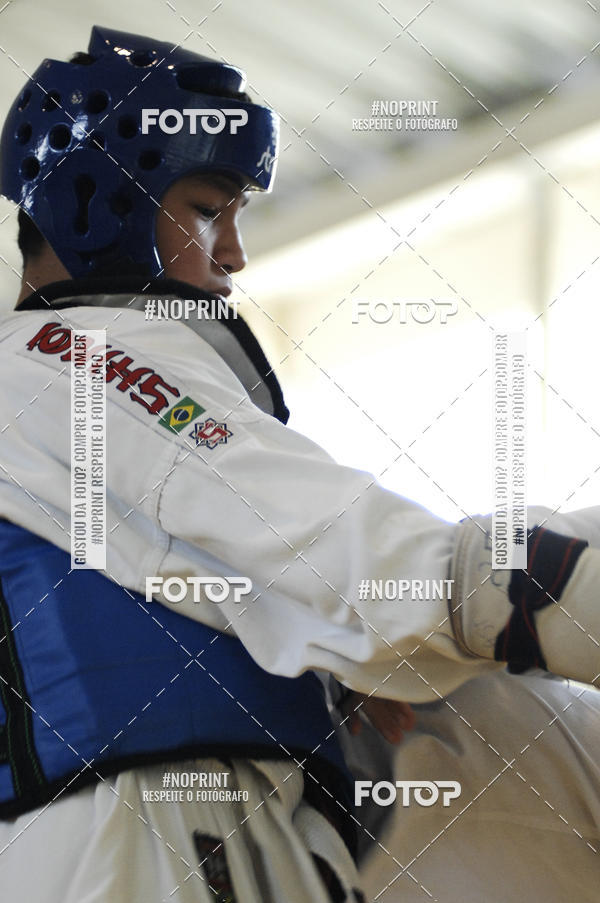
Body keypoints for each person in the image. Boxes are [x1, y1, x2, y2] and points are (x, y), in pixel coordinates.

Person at [0, 24, 599, 902]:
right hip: (146, 841)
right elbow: (341, 548)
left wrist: (345, 670)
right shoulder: (64, 358)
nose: (235, 255)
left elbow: (211, 562)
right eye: (208, 210)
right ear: (97, 207)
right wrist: (510, 587)